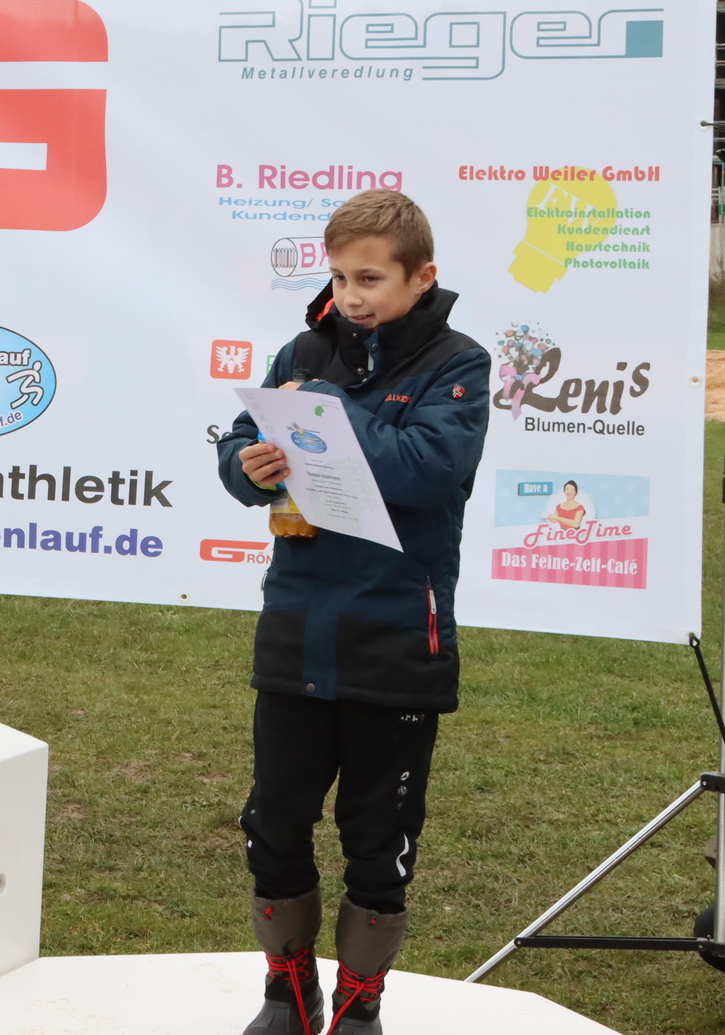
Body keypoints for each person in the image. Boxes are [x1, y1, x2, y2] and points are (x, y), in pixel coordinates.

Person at [214, 189, 489, 1035]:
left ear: (422, 276)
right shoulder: (304, 349)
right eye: (339, 277)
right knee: (272, 823)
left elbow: (427, 468)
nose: (351, 295)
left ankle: (360, 1006)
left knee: (379, 839)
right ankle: (286, 993)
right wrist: (249, 464)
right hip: (296, 626)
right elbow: (239, 442)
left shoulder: (459, 361)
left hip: (396, 635)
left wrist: (323, 418)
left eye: (370, 278)